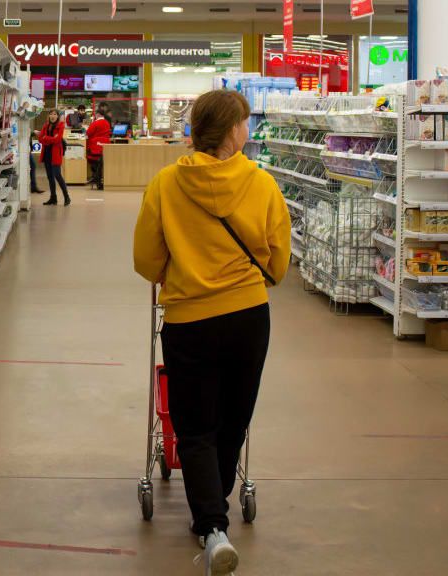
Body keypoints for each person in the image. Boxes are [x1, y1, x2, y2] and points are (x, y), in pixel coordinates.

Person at [132, 90, 291, 576]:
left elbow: (146, 259)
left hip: (188, 319)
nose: (248, 129)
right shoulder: (261, 184)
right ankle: (212, 511)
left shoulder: (165, 184)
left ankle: (211, 524)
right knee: (233, 419)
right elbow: (279, 262)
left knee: (194, 424)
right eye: (244, 122)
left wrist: (177, 271)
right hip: (247, 316)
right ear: (231, 130)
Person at [37, 109, 71, 206]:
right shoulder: (46, 125)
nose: (52, 116)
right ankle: (53, 198)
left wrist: (46, 138)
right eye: (51, 114)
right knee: (50, 177)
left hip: (55, 154)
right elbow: (40, 139)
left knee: (57, 175)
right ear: (48, 116)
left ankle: (67, 197)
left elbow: (57, 140)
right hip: (47, 153)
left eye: (55, 114)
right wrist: (47, 138)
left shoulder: (60, 125)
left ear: (57, 116)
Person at [85, 104, 111, 190]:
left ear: (98, 115)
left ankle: (95, 178)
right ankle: (96, 178)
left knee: (92, 161)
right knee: (100, 163)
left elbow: (88, 133)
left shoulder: (95, 123)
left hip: (94, 148)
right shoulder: (107, 123)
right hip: (104, 149)